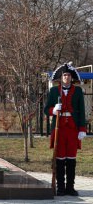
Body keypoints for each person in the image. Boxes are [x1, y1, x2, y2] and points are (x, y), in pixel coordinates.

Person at [44, 62, 87, 196]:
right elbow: (46, 110)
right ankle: (61, 187)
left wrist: (82, 129)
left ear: (71, 77)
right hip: (59, 129)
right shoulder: (53, 91)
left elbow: (81, 111)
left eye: (68, 75)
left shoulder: (78, 91)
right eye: (64, 75)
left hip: (73, 128)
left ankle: (70, 187)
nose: (66, 77)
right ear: (61, 77)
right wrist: (54, 110)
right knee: (60, 158)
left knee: (71, 158)